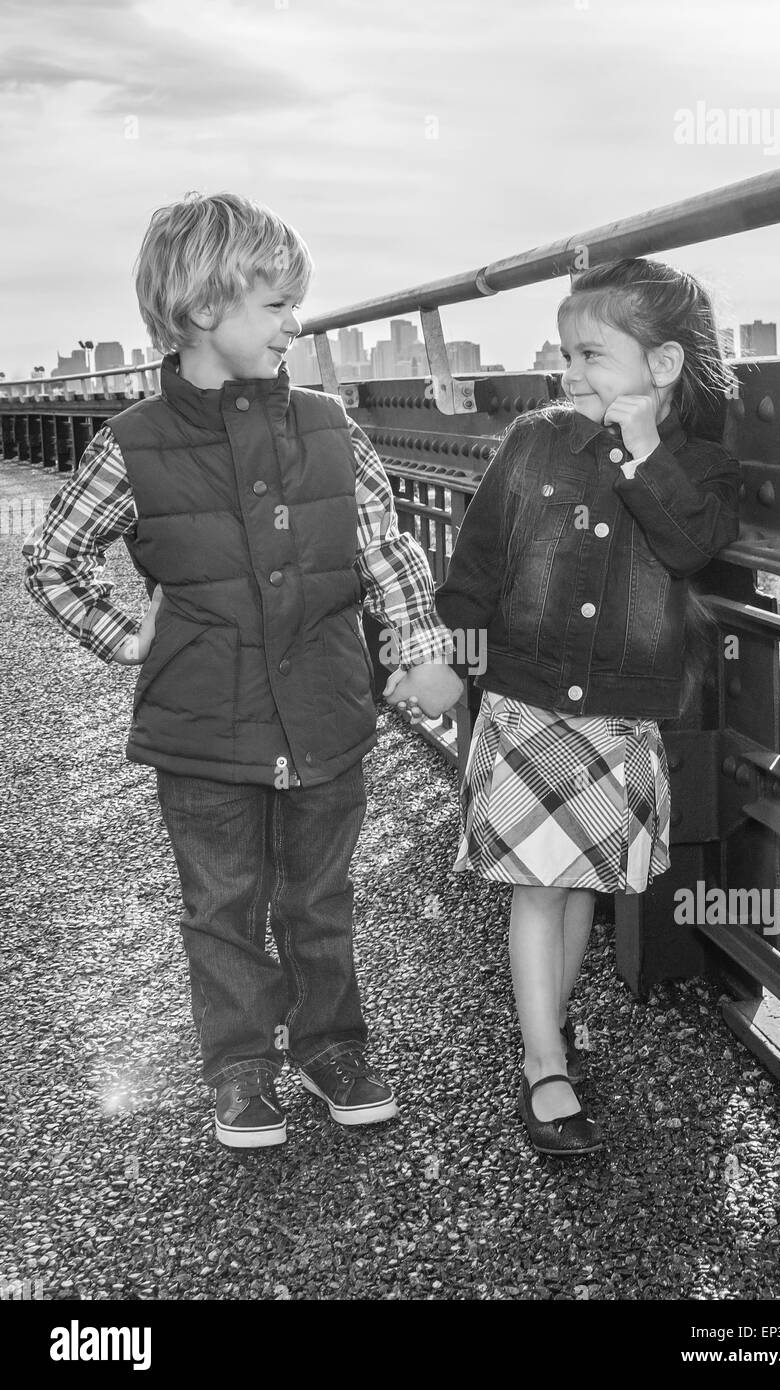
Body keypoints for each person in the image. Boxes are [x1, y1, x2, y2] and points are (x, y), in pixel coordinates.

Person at [23, 191, 462, 1148]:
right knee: (221, 906)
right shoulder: (130, 444)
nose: (295, 323)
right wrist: (124, 638)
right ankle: (238, 1066)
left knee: (319, 895)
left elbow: (387, 553)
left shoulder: (330, 426)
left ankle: (331, 1043)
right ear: (203, 308)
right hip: (202, 728)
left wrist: (422, 647)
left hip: (325, 709)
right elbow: (51, 559)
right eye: (276, 305)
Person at [422, 258, 741, 1156]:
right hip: (523, 703)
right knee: (539, 887)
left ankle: (549, 1034)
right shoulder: (537, 440)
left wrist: (646, 456)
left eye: (594, 356)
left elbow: (691, 548)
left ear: (665, 364)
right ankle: (543, 1065)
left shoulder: (703, 467)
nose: (574, 375)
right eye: (568, 355)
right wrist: (459, 665)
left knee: (579, 890)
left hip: (618, 714)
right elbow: (476, 567)